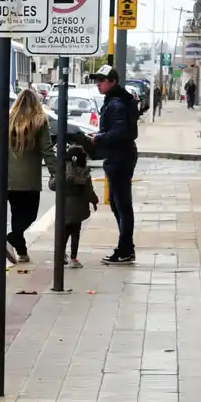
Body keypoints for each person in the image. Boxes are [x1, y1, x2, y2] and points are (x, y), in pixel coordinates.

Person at [89, 65, 139, 265]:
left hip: (120, 157)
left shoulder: (116, 103)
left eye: (102, 80)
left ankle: (125, 249)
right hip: (119, 156)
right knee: (118, 205)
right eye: (97, 80)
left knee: (121, 205)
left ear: (113, 82)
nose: (98, 84)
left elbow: (120, 133)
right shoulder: (117, 100)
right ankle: (126, 247)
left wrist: (97, 138)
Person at [6, 90, 57, 264]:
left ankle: (21, 251)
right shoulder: (39, 121)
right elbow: (47, 149)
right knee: (30, 216)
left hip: (9, 179)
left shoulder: (9, 119)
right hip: (29, 180)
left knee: (16, 214)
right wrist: (55, 172)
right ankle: (11, 239)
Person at [49, 145, 99, 269]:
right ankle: (74, 258)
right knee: (75, 233)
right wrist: (94, 201)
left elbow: (52, 186)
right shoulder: (85, 174)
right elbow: (89, 192)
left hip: (64, 208)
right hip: (79, 208)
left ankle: (60, 255)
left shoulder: (61, 171)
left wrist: (53, 177)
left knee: (64, 233)